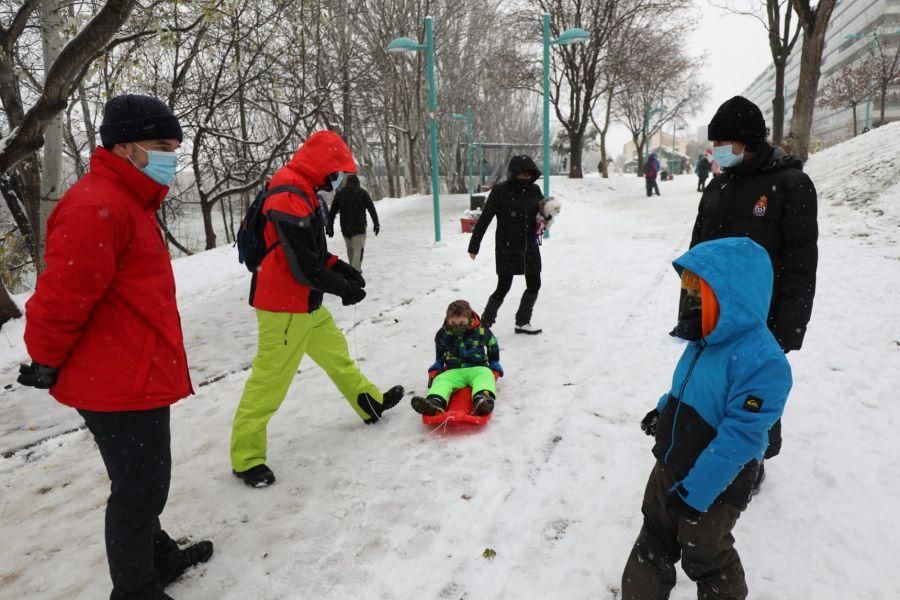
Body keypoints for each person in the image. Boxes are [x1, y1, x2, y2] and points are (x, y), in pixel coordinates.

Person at [20, 94, 213, 600]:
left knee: (140, 480)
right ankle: (136, 590)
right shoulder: (96, 205)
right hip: (117, 381)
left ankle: (160, 557)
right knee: (140, 489)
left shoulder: (127, 198)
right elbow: (60, 296)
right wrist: (44, 359)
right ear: (126, 148)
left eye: (175, 146)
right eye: (161, 146)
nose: (172, 156)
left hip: (133, 370)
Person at [230, 130, 403, 488]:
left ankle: (369, 404)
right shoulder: (289, 194)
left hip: (304, 302)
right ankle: (247, 459)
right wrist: (344, 289)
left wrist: (343, 269)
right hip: (283, 307)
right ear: (324, 166)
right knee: (269, 382)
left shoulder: (301, 188)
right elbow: (303, 266)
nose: (338, 178)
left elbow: (312, 253)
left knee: (337, 355)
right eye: (337, 170)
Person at [622, 237, 792, 600]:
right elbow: (685, 387)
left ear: (733, 297)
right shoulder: (705, 340)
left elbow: (741, 438)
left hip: (717, 486)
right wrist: (664, 409)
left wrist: (696, 492)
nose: (690, 302)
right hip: (670, 461)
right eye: (688, 292)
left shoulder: (764, 362)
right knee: (653, 539)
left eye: (698, 293)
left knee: (706, 556)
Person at [688, 95, 818, 492]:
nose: (719, 151)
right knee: (714, 382)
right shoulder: (719, 183)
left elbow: (801, 263)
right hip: (715, 308)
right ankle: (712, 444)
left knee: (754, 389)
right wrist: (692, 302)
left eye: (725, 142)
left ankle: (753, 457)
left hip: (763, 315)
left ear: (747, 140)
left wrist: (787, 329)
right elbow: (699, 248)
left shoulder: (791, 185)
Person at [468, 155, 543, 335]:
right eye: (522, 173)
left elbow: (542, 213)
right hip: (507, 247)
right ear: (514, 173)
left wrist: (547, 217)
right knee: (503, 286)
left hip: (530, 247)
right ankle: (484, 324)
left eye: (529, 173)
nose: (526, 177)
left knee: (534, 284)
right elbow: (485, 218)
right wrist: (474, 245)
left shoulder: (535, 190)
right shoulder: (501, 191)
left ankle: (522, 322)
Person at [410, 300, 502, 417]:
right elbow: (440, 351)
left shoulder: (480, 330)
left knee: (485, 375)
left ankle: (482, 400)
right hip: (453, 370)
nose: (457, 326)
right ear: (448, 320)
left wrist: (494, 362)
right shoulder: (443, 334)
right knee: (442, 380)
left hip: (477, 368)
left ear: (469, 319)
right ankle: (434, 403)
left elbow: (492, 345)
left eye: (462, 323)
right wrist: (438, 364)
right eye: (453, 323)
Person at [326, 174, 380, 272]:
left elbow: (332, 212)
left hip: (346, 228)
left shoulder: (340, 194)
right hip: (359, 227)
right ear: (357, 183)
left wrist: (330, 226)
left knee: (350, 249)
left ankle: (352, 271)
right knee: (357, 250)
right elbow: (372, 209)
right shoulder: (362, 193)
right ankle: (355, 272)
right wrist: (376, 223)